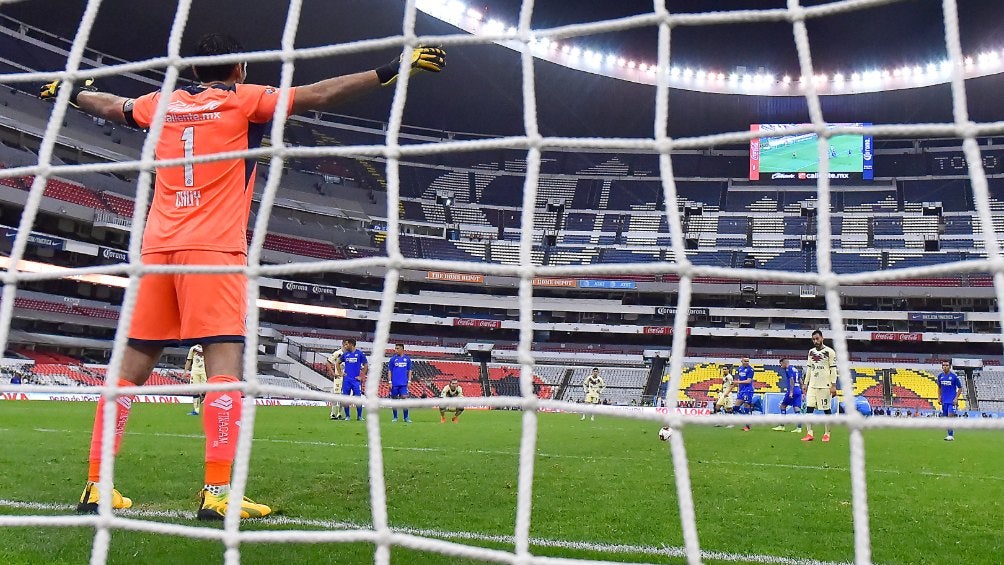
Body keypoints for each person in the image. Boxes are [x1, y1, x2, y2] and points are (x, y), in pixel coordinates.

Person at [41, 33, 445, 520]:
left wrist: (73, 93)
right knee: (225, 370)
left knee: (126, 376)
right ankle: (216, 491)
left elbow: (111, 106)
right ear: (240, 69)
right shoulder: (244, 100)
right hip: (214, 252)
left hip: (156, 251)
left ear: (193, 70)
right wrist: (390, 70)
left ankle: (96, 485)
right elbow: (318, 94)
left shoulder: (162, 104)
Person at [802, 329, 837, 442]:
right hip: (812, 385)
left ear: (822, 338)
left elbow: (833, 370)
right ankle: (809, 433)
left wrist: (833, 385)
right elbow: (809, 369)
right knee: (809, 408)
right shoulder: (811, 352)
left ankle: (827, 434)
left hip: (825, 386)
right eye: (813, 339)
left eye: (817, 338)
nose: (815, 341)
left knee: (826, 410)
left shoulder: (830, 352)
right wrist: (805, 383)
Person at [334, 339, 368, 422]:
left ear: (351, 344)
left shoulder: (360, 354)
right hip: (347, 380)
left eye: (347, 344)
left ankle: (359, 416)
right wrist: (340, 373)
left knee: (358, 399)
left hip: (356, 381)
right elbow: (337, 363)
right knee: (345, 399)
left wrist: (361, 376)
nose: (345, 346)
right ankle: (347, 416)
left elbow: (366, 365)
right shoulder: (346, 354)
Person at [772, 358, 803, 433]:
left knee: (783, 406)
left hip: (792, 390)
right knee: (796, 408)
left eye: (781, 364)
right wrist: (803, 392)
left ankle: (782, 426)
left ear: (784, 363)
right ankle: (799, 428)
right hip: (798, 390)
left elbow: (791, 380)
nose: (781, 366)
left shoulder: (788, 369)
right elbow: (800, 380)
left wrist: (791, 392)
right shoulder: (795, 369)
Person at [936, 361, 963, 441]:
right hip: (944, 401)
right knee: (946, 418)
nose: (945, 366)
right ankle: (950, 430)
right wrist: (939, 397)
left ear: (950, 367)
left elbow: (960, 388)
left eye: (947, 365)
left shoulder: (954, 377)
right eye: (943, 365)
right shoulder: (940, 376)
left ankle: (950, 435)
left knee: (950, 416)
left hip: (952, 401)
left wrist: (956, 398)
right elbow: (939, 388)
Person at [387, 343, 412, 423]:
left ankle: (406, 417)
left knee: (405, 400)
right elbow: (389, 371)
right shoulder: (393, 359)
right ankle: (395, 417)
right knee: (394, 401)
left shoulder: (407, 359)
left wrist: (409, 381)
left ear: (402, 349)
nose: (396, 350)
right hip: (394, 384)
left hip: (404, 384)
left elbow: (409, 371)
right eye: (395, 348)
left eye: (397, 348)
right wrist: (390, 382)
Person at [732, 357, 755, 431]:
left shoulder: (750, 370)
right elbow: (739, 379)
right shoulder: (739, 369)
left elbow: (748, 381)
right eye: (745, 361)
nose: (747, 362)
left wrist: (738, 382)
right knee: (735, 408)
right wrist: (738, 390)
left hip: (748, 390)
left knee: (746, 406)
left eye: (748, 361)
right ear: (741, 361)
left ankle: (747, 426)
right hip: (741, 391)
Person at [184, 344, 207, 416]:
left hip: (205, 371)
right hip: (195, 371)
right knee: (194, 390)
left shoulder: (207, 347)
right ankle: (196, 410)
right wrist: (185, 372)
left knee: (206, 390)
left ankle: (202, 396)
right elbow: (189, 360)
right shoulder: (193, 348)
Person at [325, 349, 344, 420]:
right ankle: (333, 413)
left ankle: (339, 414)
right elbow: (328, 362)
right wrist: (333, 373)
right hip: (338, 378)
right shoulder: (338, 353)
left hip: (347, 379)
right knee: (336, 396)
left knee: (344, 397)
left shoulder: (351, 353)